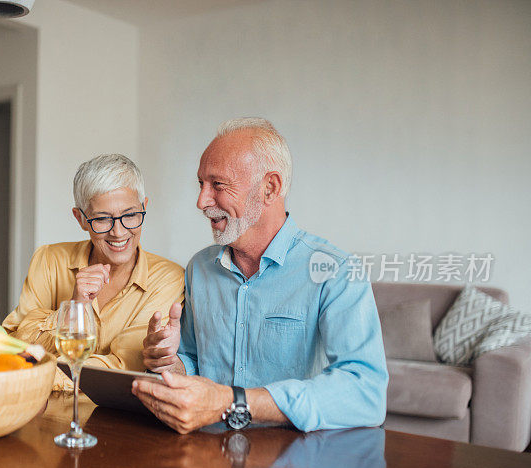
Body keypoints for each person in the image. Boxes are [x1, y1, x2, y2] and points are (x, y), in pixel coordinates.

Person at [134, 118, 388, 433]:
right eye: (201, 184)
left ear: (270, 188)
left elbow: (366, 393)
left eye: (218, 185)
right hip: (206, 457)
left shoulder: (337, 272)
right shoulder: (199, 269)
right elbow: (192, 361)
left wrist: (234, 402)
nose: (202, 201)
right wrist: (169, 362)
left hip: (295, 462)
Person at [3, 154, 184, 389]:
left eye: (130, 215)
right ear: (81, 219)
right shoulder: (48, 260)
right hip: (42, 410)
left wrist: (38, 373)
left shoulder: (168, 278)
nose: (118, 232)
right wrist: (74, 311)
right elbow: (15, 346)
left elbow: (127, 367)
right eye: (101, 219)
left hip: (119, 418)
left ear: (144, 208)